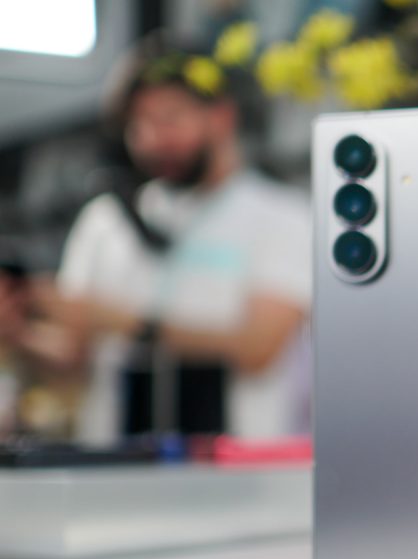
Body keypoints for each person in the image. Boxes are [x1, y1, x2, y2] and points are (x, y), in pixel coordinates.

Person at [0, 45, 311, 444]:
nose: (151, 140)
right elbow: (73, 360)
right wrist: (17, 333)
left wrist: (130, 325)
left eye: (169, 119)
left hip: (238, 466)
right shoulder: (106, 221)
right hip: (116, 462)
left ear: (221, 116)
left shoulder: (282, 217)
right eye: (138, 125)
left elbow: (258, 349)